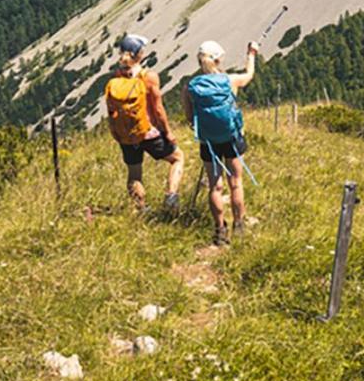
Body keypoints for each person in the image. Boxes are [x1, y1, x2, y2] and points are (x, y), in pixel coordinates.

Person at [181, 39, 258, 246]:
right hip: (232, 139)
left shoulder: (190, 87)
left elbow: (189, 117)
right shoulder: (229, 81)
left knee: (215, 186)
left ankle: (220, 231)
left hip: (208, 142)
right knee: (236, 183)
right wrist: (251, 54)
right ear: (217, 59)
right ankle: (239, 225)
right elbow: (249, 75)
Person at [104, 34, 185, 213]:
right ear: (139, 54)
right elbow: (157, 109)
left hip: (125, 134)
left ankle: (140, 209)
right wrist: (168, 132)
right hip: (147, 132)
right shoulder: (148, 76)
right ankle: (171, 197)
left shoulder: (116, 77)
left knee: (134, 173)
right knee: (177, 158)